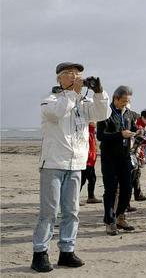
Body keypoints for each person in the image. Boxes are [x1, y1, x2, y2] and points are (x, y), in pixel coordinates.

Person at [31, 62, 109, 272]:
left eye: (78, 74)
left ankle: (67, 251)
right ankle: (40, 253)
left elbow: (102, 114)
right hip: (53, 164)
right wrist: (73, 93)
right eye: (69, 74)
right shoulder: (50, 99)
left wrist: (100, 92)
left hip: (76, 164)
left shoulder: (83, 103)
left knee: (72, 211)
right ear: (59, 78)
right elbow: (58, 113)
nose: (75, 77)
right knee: (48, 211)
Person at [96, 85, 139, 236]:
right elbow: (100, 136)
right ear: (116, 98)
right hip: (109, 158)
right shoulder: (105, 113)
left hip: (125, 157)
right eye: (124, 101)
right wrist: (120, 134)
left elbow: (132, 129)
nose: (126, 104)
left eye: (128, 101)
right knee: (111, 190)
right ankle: (110, 221)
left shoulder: (129, 114)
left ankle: (120, 216)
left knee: (127, 189)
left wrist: (137, 134)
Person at [131, 109, 146, 202]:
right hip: (134, 155)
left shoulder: (141, 126)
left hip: (137, 154)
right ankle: (131, 199)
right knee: (133, 176)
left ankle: (138, 194)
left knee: (136, 175)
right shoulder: (138, 126)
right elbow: (138, 140)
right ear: (142, 117)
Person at [80, 122, 101, 204]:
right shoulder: (86, 130)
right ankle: (74, 199)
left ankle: (91, 197)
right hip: (86, 159)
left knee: (92, 179)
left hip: (91, 159)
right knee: (82, 180)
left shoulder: (92, 132)